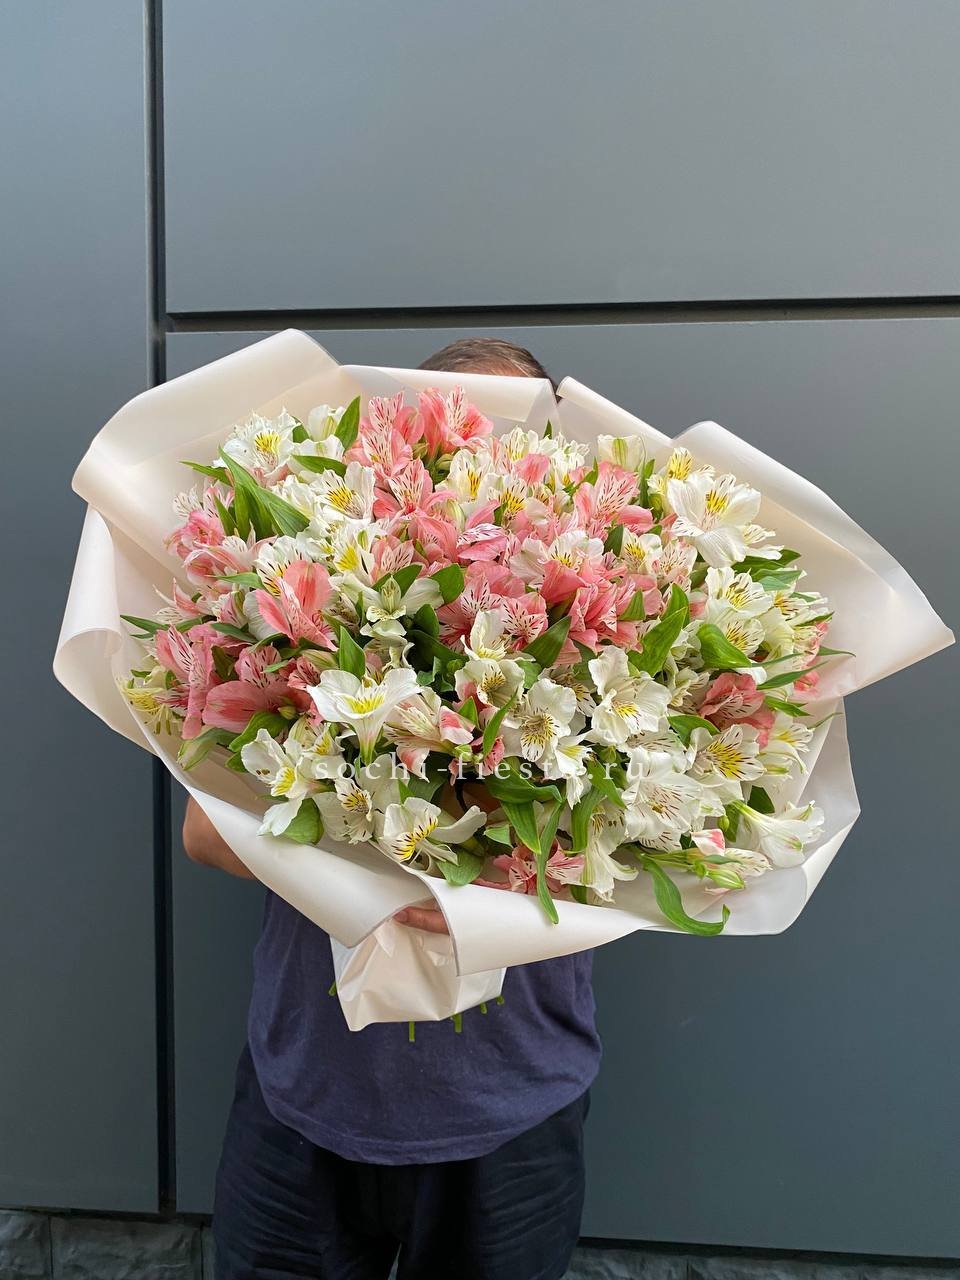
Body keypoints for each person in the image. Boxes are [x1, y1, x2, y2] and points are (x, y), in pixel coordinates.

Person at [183, 337, 601, 1280]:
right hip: (305, 1097)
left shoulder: (602, 620)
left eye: (514, 438)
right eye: (459, 434)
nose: (485, 459)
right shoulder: (317, 603)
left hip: (513, 1109)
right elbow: (206, 834)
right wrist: (373, 868)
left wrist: (500, 877)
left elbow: (649, 864)